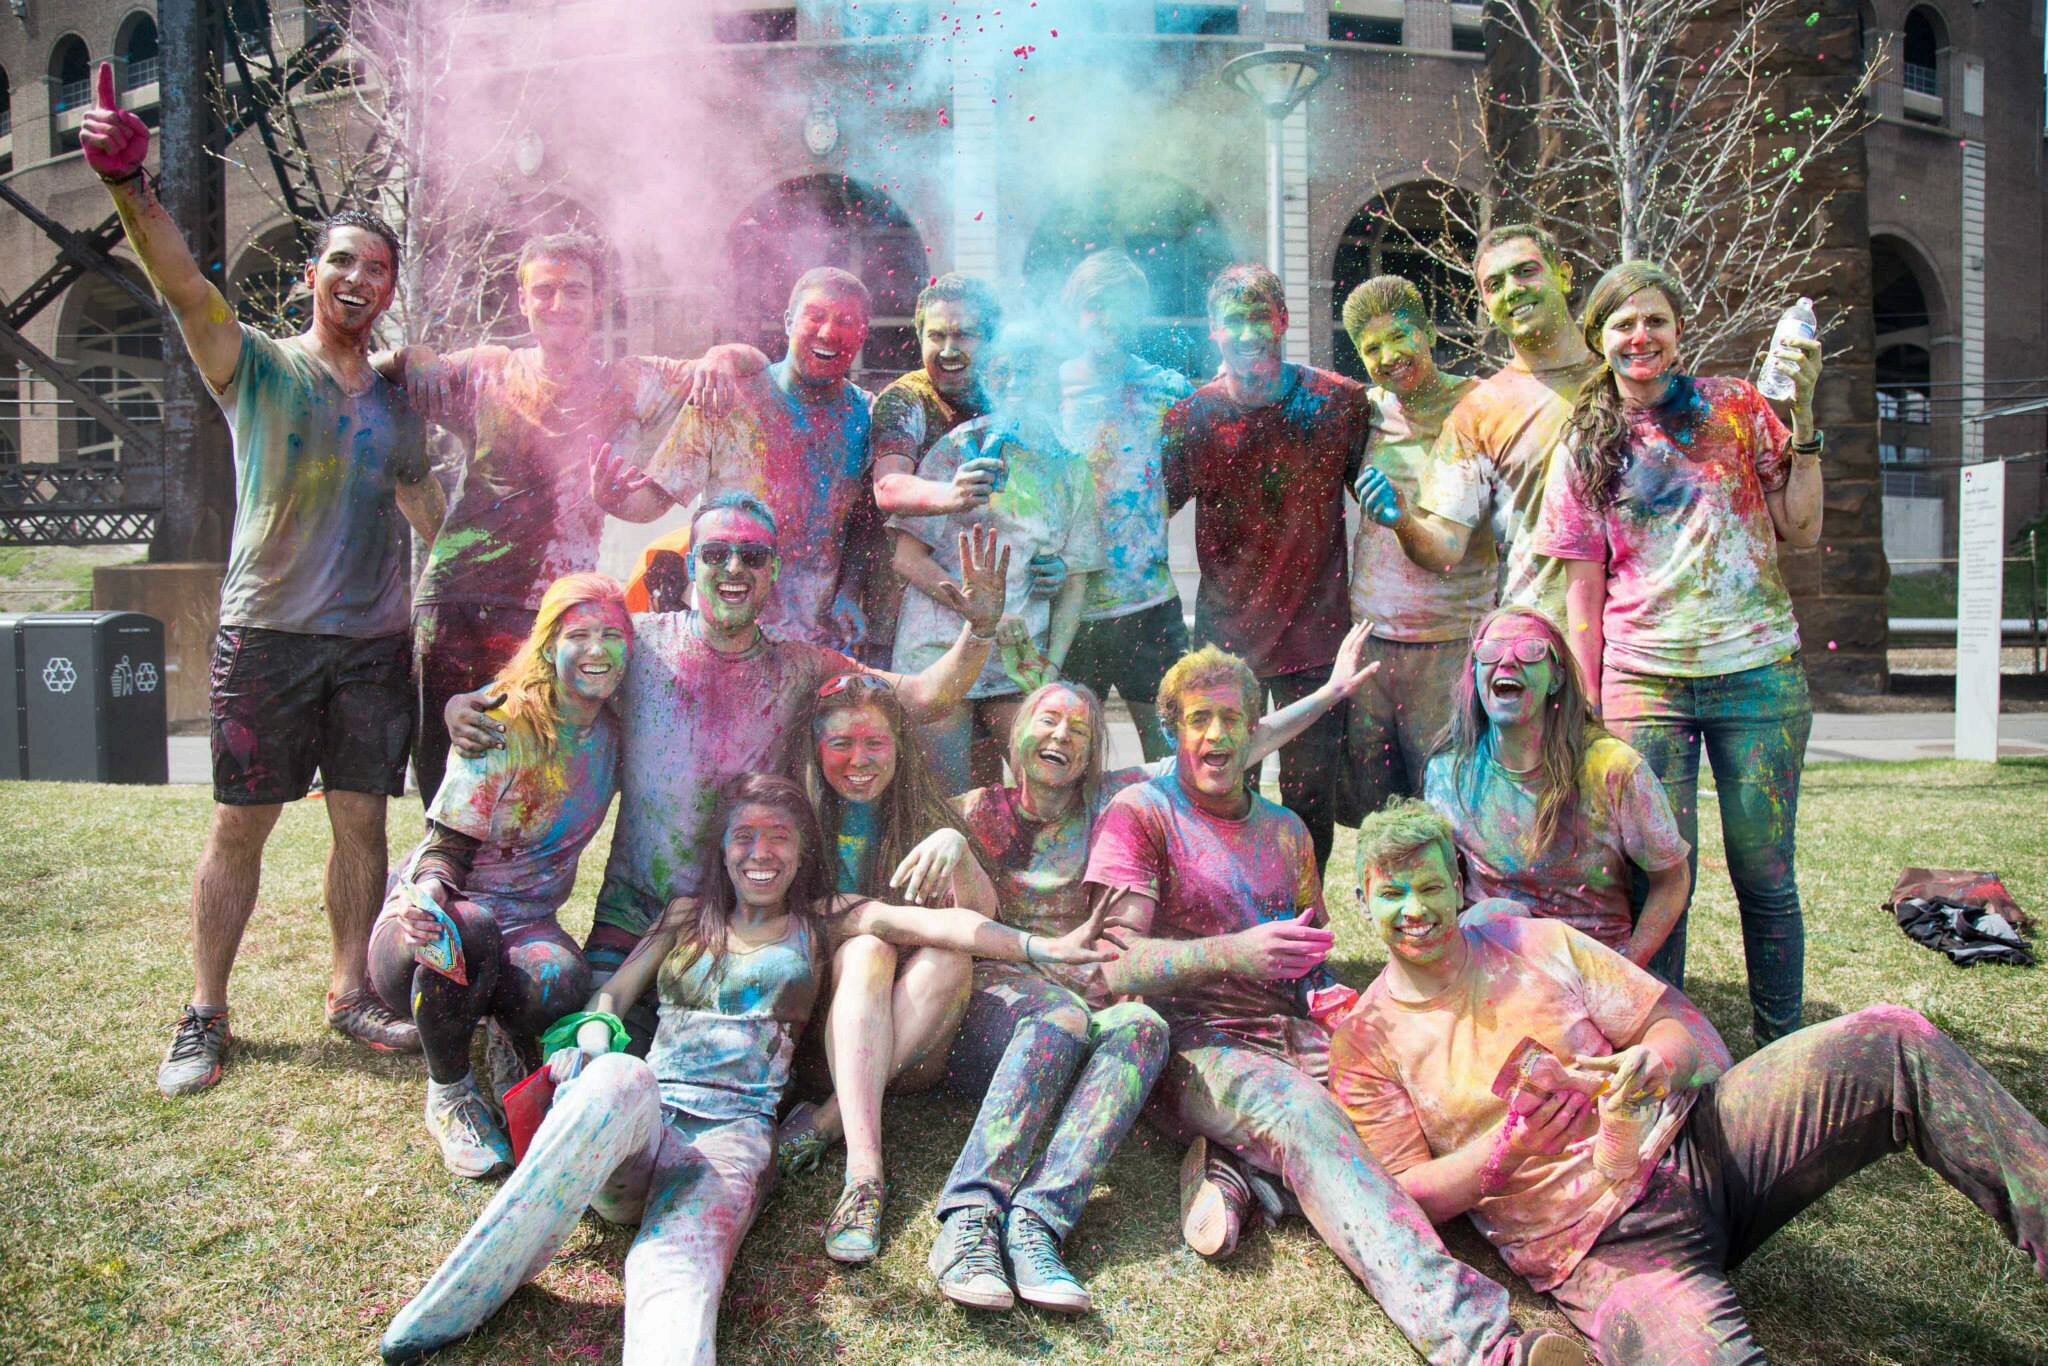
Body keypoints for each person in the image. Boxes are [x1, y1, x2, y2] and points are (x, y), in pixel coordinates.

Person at [378, 774, 1126, 1366]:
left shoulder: (827, 916)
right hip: (640, 1120)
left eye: (779, 838)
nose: (760, 853)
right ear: (724, 848)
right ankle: (464, 1296)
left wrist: (1035, 948)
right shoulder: (684, 915)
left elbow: (942, 926)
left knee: (678, 1282)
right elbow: (615, 991)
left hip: (732, 1143)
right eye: (745, 837)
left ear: (803, 852)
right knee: (617, 1078)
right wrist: (598, 1029)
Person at [1329, 799, 2048, 1366]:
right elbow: (1406, 1192)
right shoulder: (1367, 1041)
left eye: (1429, 886)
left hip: (1706, 1145)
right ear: (1364, 899)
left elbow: (1687, 1029)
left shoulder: (1536, 943)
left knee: (1892, 1038)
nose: (1414, 909)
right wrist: (1503, 1156)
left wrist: (1655, 1063)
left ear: (1459, 887)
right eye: (1391, 893)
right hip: (1604, 1250)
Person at [83, 65, 448, 1096]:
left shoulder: (396, 403)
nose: (358, 278)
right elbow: (183, 285)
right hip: (267, 633)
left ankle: (347, 993)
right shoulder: (255, 365)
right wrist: (128, 189)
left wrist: (475, 572)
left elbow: (429, 514)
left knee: (362, 822)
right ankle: (205, 1008)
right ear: (310, 277)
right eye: (340, 261)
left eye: (376, 267)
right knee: (238, 825)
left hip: (370, 644)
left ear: (389, 287)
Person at [1082, 646, 1582, 1366]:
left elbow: (1310, 959)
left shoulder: (1285, 832)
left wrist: (1333, 1005)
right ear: (1173, 730)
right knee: (1308, 1121)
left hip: (1290, 1029)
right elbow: (1113, 966)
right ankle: (1481, 1344)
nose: (1217, 737)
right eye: (1199, 720)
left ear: (1258, 729)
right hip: (1191, 1043)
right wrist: (1234, 952)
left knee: (1415, 1095)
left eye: (1232, 719)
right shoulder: (1144, 814)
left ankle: (1245, 1175)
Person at [932, 629, 1382, 1312]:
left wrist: (1328, 694)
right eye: (1046, 720)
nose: (1061, 735)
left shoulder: (1111, 800)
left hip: (1089, 1000)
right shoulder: (970, 812)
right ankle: (969, 1218)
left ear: (1093, 753)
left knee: (1143, 1024)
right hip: (1002, 1004)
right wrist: (944, 843)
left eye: (1079, 728)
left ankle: (1037, 1223)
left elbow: (1233, 745)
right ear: (1016, 734)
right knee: (1060, 1015)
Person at [443, 494, 1008, 1036]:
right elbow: (548, 680)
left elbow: (923, 697)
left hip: (742, 924)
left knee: (716, 1064)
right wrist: (463, 703)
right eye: (716, 554)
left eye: (753, 555)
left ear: (774, 570)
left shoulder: (798, 669)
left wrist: (979, 630)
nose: (734, 566)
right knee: (591, 1034)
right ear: (693, 564)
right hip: (633, 918)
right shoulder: (640, 646)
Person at [1534, 260, 1824, 1043]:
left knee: (1766, 876)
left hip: (1758, 676)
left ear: (1678, 329)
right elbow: (1582, 598)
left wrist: (1808, 421)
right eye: (1623, 325)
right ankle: (1668, 1048)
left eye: (1655, 320)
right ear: (1599, 340)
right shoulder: (1586, 445)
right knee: (1662, 878)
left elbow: (1802, 527)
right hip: (1645, 685)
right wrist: (1587, 705)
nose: (1641, 337)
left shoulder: (1736, 407)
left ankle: (1783, 1044)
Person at [374, 231, 757, 804]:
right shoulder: (488, 370)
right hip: (453, 606)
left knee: (530, 788)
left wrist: (722, 355)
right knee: (445, 790)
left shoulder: (625, 382)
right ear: (522, 299)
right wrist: (412, 356)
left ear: (599, 302)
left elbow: (751, 364)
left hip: (548, 613)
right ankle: (431, 891)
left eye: (574, 291)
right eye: (544, 291)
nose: (559, 304)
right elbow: (373, 368)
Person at [368, 573, 629, 1177]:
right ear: (547, 646)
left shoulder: (615, 732)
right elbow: (445, 849)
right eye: (579, 635)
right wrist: (425, 900)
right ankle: (452, 1092)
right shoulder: (499, 720)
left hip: (527, 924)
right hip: (428, 925)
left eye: (611, 635)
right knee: (470, 928)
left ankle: (505, 1036)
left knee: (564, 981)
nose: (596, 650)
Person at [778, 674, 1001, 1264]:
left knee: (952, 956)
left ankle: (827, 1124)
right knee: (868, 947)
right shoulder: (792, 814)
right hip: (813, 1040)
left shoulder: (921, 808)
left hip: (906, 1042)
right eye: (842, 743)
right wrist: (875, 919)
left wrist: (955, 846)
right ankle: (865, 1174)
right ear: (813, 745)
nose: (859, 761)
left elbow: (980, 923)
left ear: (900, 747)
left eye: (875, 744)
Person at [1161, 265, 1372, 869]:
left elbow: (1386, 486)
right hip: (1230, 639)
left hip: (1317, 634)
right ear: (1214, 330)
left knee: (1310, 793)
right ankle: (1239, 912)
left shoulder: (1338, 403)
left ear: (1283, 320)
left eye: (1261, 316)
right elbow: (1144, 512)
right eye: (1235, 319)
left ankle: (1304, 922)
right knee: (1227, 789)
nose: (1250, 331)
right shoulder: (1191, 419)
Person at [889, 328, 1105, 791]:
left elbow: (1077, 578)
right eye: (1002, 372)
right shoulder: (958, 449)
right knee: (948, 803)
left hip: (1018, 662)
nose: (1015, 383)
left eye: (1027, 371)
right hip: (940, 653)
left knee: (1050, 791)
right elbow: (907, 558)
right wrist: (980, 614)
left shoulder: (1068, 464)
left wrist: (1049, 669)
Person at [1359, 224, 1600, 625]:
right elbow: (1446, 545)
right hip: (1541, 641)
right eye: (1495, 284)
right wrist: (1401, 519)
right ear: (1486, 304)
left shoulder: (1625, 377)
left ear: (1564, 273)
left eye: (1526, 271)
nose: (1513, 289)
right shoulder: (1480, 411)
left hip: (1641, 645)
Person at [1423, 607, 1691, 967]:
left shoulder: (1614, 769)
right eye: (1491, 650)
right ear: (1475, 671)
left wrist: (1627, 967)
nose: (1507, 662)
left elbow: (1671, 880)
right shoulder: (1447, 774)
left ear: (1556, 678)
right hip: (1489, 967)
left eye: (1530, 650)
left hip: (1589, 969)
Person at [640, 267, 877, 653]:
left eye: (845, 321)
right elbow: (653, 498)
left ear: (862, 333)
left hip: (816, 647)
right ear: (788, 321)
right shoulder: (726, 395)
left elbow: (865, 528)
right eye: (815, 316)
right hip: (723, 639)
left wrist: (851, 592)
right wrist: (612, 496)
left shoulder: (866, 414)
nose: (828, 332)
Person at [1340, 276, 1485, 817]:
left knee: (1450, 808)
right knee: (1379, 817)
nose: (1389, 356)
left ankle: (1458, 904)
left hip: (1452, 642)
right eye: (1370, 349)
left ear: (1427, 333)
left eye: (1399, 337)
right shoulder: (1362, 412)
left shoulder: (1478, 404)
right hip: (1371, 644)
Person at [1055, 251, 1196, 762]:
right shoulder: (1050, 390)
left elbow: (1179, 484)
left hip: (1148, 608)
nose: (1108, 318)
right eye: (1096, 305)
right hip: (1069, 612)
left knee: (1172, 759)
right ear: (1074, 311)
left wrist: (1139, 527)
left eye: (1121, 305)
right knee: (1067, 768)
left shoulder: (1168, 390)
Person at [859, 274, 1002, 664]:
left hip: (997, 620)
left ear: (991, 340)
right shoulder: (906, 399)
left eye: (964, 336)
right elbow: (888, 486)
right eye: (936, 336)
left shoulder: (1006, 401)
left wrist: (1048, 560)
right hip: (902, 621)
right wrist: (951, 495)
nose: (948, 350)